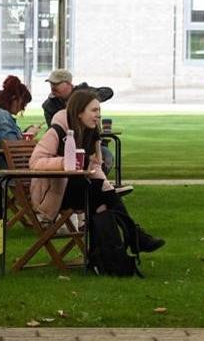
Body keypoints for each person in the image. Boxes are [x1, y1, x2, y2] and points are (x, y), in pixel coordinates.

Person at [29, 88, 163, 252]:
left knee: (102, 199)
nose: (98, 115)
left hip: (80, 190)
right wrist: (64, 162)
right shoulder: (57, 131)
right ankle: (132, 239)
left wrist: (106, 185)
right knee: (101, 196)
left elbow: (94, 166)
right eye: (94, 110)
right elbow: (35, 162)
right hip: (54, 194)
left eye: (99, 110)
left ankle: (111, 251)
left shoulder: (91, 134)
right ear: (79, 112)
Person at [0, 75, 39, 147]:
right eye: (23, 104)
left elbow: (5, 137)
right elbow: (13, 147)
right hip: (6, 157)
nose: (23, 109)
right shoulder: (2, 117)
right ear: (14, 99)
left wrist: (25, 132)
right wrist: (29, 137)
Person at [40, 69, 114, 127]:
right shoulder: (48, 105)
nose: (53, 87)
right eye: (51, 83)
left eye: (57, 83)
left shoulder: (84, 92)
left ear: (68, 83)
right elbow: (52, 128)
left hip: (90, 137)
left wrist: (84, 99)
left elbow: (108, 92)